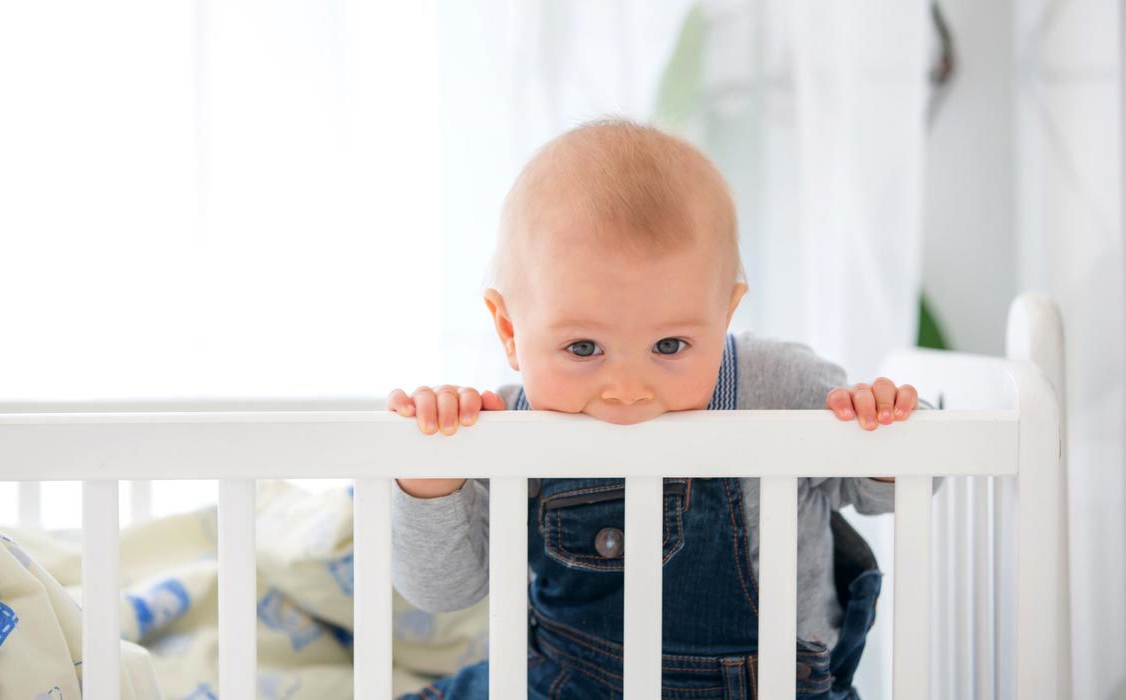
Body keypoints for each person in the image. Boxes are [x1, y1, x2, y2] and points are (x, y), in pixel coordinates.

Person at [387, 119, 920, 699]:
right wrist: (432, 479)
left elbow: (890, 493)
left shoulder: (780, 383)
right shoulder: (509, 425)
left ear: (725, 313)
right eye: (583, 348)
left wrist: (883, 436)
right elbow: (444, 590)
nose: (627, 389)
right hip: (566, 683)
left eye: (669, 346)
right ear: (510, 331)